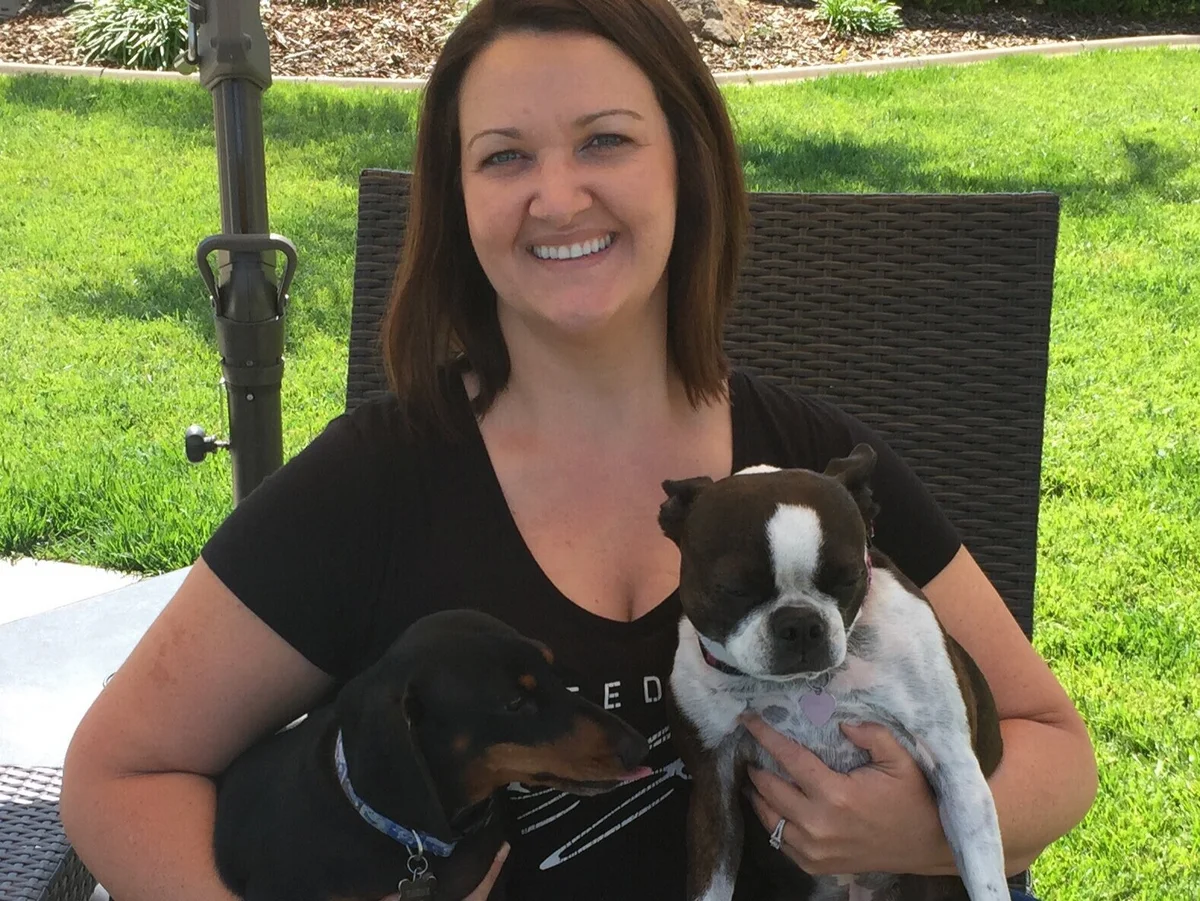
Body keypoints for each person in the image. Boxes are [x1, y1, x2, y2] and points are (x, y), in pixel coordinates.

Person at [59, 0, 1098, 898]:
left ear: (686, 162)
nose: (557, 197)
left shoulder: (809, 474)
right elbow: (119, 776)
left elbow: (1052, 744)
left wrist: (923, 832)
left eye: (605, 140)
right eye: (504, 155)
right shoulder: (378, 481)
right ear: (457, 199)